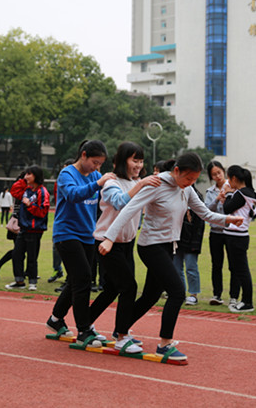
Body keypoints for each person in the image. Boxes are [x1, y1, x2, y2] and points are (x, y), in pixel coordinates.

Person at [100, 152, 243, 361]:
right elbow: (129, 209)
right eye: (188, 178)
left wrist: (227, 219)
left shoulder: (187, 189)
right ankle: (164, 344)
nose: (190, 183)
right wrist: (109, 238)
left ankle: (121, 329)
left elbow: (204, 213)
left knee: (151, 295)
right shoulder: (156, 184)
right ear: (176, 171)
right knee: (177, 292)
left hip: (168, 247)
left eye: (194, 180)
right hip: (150, 246)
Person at [89, 141, 161, 353]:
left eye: (141, 161)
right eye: (134, 160)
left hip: (127, 244)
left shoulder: (137, 182)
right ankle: (121, 336)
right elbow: (119, 202)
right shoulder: (112, 182)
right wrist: (142, 184)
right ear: (123, 160)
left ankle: (86, 322)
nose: (138, 165)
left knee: (113, 288)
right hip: (107, 243)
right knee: (129, 287)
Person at [46, 140, 116, 347]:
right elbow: (74, 195)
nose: (97, 167)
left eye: (100, 164)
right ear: (83, 155)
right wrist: (98, 183)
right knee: (83, 278)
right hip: (67, 234)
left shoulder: (95, 176)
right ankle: (84, 329)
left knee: (77, 279)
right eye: (95, 162)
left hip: (88, 234)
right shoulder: (67, 174)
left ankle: (55, 319)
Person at [221, 165, 256, 313]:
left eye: (228, 179)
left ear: (234, 178)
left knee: (241, 270)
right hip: (241, 235)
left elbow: (227, 209)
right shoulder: (251, 193)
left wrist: (229, 194)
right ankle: (243, 300)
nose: (228, 183)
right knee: (238, 269)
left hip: (236, 236)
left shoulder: (241, 194)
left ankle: (247, 302)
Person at [5, 165, 50, 291]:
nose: (26, 176)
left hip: (35, 229)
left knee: (32, 256)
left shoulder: (42, 192)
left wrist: (30, 205)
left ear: (36, 176)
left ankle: (32, 282)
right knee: (17, 254)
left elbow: (42, 211)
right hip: (23, 227)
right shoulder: (27, 190)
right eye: (25, 174)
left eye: (29, 174)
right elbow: (14, 191)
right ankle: (19, 281)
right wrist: (23, 180)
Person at [205, 160, 235, 306]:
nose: (217, 176)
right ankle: (217, 295)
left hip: (230, 231)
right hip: (215, 231)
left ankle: (234, 297)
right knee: (216, 265)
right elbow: (207, 210)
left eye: (219, 172)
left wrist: (228, 196)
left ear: (224, 171)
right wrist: (217, 199)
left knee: (233, 265)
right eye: (214, 175)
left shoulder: (233, 188)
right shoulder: (210, 192)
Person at [173, 184, 205, 306]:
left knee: (191, 268)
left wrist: (196, 243)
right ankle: (179, 293)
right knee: (176, 268)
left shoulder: (196, 197)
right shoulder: (175, 194)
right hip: (177, 238)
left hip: (192, 240)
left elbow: (200, 224)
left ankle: (193, 294)